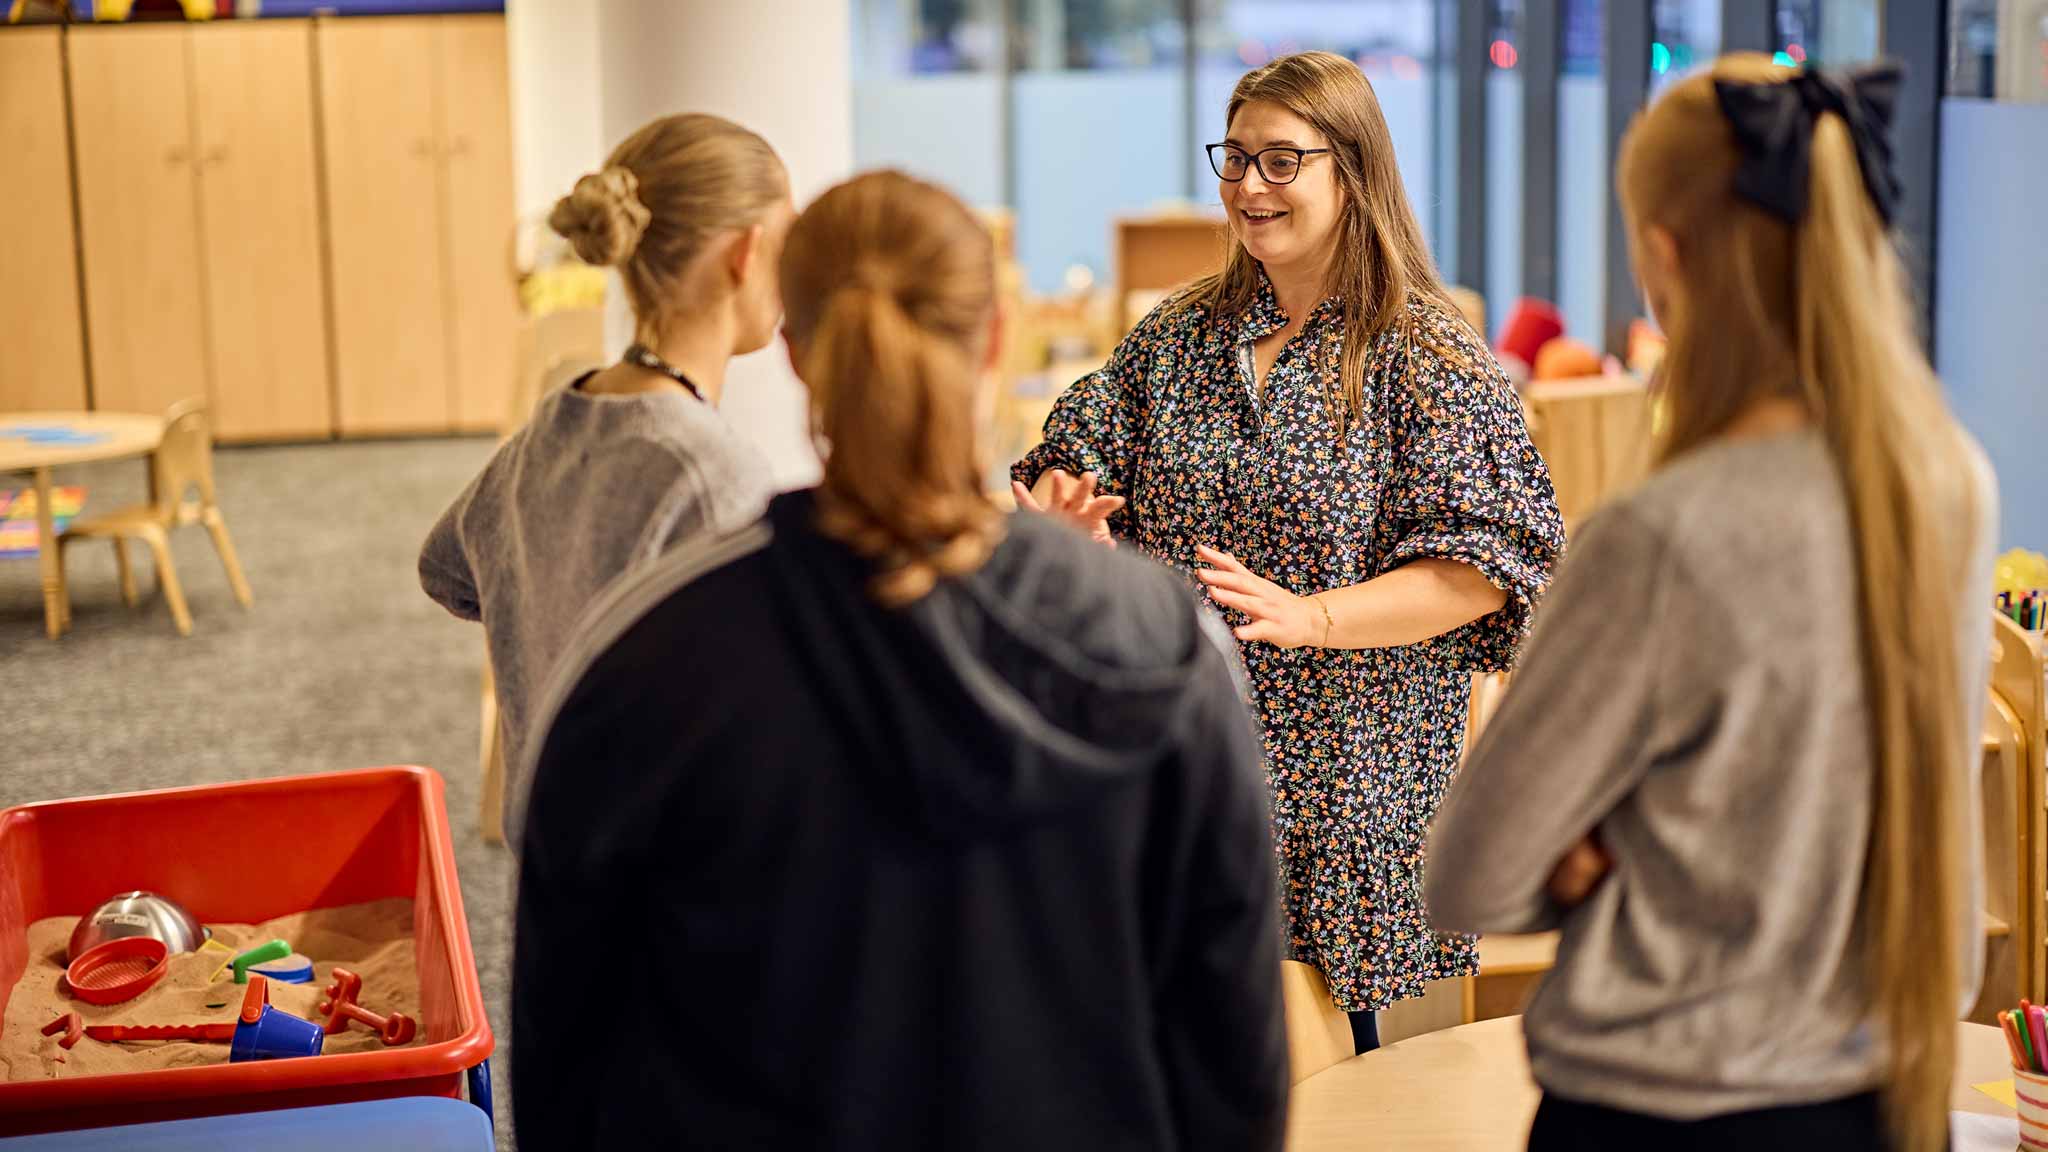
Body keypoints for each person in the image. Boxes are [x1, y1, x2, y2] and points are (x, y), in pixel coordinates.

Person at [513, 170, 1289, 1150]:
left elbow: (565, 1066)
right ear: (996, 338)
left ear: (793, 353)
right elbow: (1233, 1064)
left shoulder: (643, 658)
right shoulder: (1161, 643)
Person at [1427, 56, 1994, 1152]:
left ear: (1664, 260)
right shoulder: (1950, 487)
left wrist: (1604, 843)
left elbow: (1471, 873)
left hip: (1655, 1113)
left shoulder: (1657, 537)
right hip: (1880, 1100)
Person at [1011, 50, 1564, 1051]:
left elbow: (1489, 563)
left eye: (1280, 162)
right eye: (1236, 159)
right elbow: (1076, 441)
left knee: (1345, 1098)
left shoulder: (1421, 350)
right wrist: (1063, 506)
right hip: (1183, 777)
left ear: (1349, 172)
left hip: (1351, 803)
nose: (1248, 187)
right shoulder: (1181, 334)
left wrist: (1314, 617)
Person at [418, 113, 787, 799]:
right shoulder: (716, 476)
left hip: (553, 865)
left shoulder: (555, 421)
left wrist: (544, 624)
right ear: (748, 251)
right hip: (668, 879)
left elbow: (444, 569)